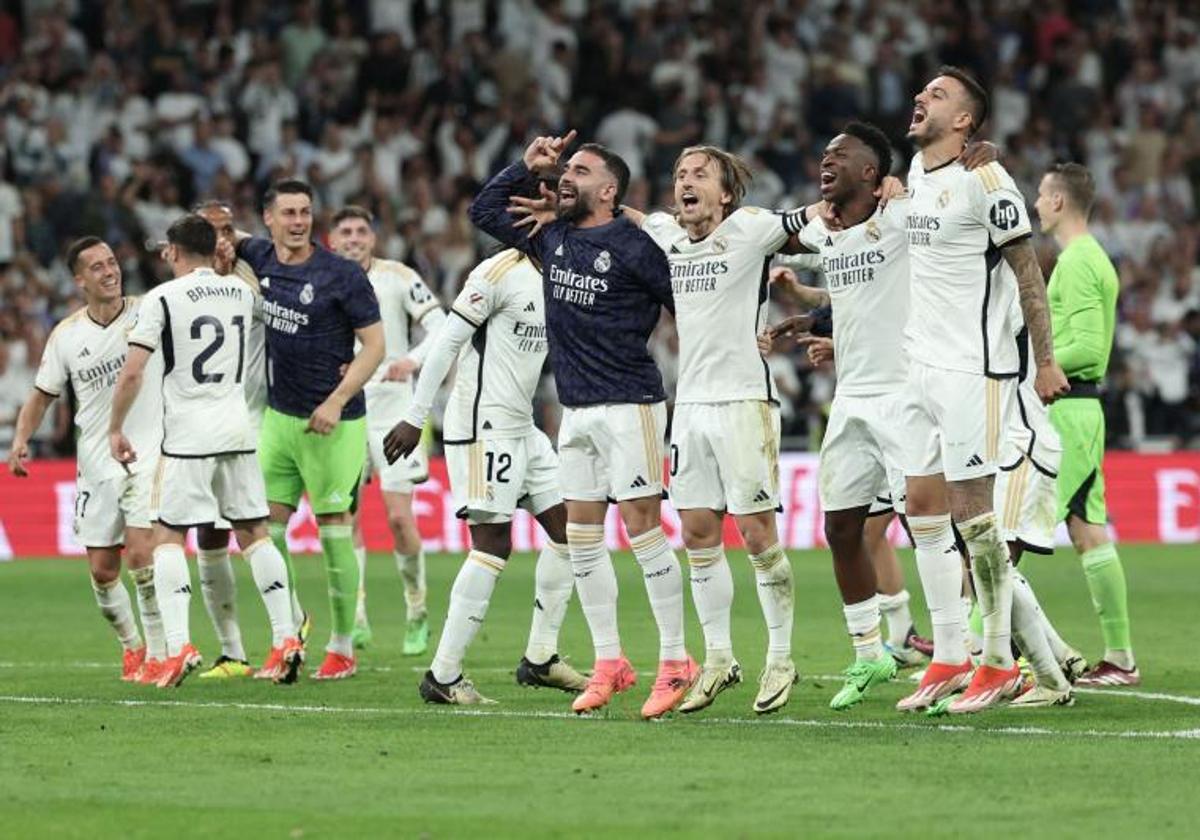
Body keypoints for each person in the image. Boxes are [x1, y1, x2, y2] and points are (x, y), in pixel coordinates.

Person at [468, 131, 696, 719]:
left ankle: (676, 662)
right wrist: (526, 165)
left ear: (610, 189)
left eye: (581, 170)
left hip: (632, 405)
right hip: (577, 411)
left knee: (644, 535)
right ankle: (610, 662)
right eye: (565, 168)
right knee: (584, 541)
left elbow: (689, 305)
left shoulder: (635, 244)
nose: (566, 176)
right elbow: (485, 211)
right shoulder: (554, 235)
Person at [896, 66, 1068, 714]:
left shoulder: (987, 180)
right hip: (919, 365)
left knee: (975, 518)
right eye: (922, 92)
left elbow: (1029, 275)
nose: (920, 99)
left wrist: (1045, 362)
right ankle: (949, 652)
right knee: (921, 508)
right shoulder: (917, 174)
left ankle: (999, 661)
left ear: (967, 121)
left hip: (974, 369)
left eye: (937, 96)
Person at [384, 247, 587, 704]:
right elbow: (447, 341)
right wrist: (416, 416)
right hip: (482, 426)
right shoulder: (497, 271)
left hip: (523, 425)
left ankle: (541, 657)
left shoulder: (562, 270)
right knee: (493, 543)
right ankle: (444, 675)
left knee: (570, 530)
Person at [108, 214, 301, 688]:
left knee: (168, 535)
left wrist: (115, 427)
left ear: (173, 251)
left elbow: (133, 372)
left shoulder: (161, 299)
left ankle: (179, 647)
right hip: (237, 426)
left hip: (189, 433)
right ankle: (285, 638)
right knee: (254, 532)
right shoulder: (241, 292)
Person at [231, 179, 385, 680]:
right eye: (289, 213)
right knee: (261, 530)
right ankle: (288, 633)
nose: (298, 222)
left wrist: (337, 401)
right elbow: (224, 237)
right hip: (280, 419)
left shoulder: (340, 275)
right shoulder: (258, 255)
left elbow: (375, 347)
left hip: (334, 424)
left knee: (334, 532)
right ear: (269, 219)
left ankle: (342, 647)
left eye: (305, 213)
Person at [6, 237, 165, 683]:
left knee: (141, 555)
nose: (109, 271)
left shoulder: (148, 312)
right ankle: (132, 646)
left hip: (145, 451)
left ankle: (158, 653)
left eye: (112, 262)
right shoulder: (67, 335)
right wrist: (21, 439)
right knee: (102, 570)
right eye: (97, 267)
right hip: (95, 461)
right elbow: (41, 396)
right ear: (79, 280)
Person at [1033, 162, 1139, 686]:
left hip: (1069, 413)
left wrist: (1033, 364)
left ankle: (978, 653)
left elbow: (1089, 349)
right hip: (1079, 411)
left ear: (1058, 202)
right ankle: (1119, 656)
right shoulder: (1089, 257)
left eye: (1040, 196)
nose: (1034, 205)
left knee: (1012, 533)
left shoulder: (1076, 261)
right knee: (1086, 532)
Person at [327, 205, 445, 655]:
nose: (354, 238)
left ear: (372, 239)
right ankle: (356, 619)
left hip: (395, 409)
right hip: (346, 409)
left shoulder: (397, 276)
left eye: (361, 231)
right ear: (332, 241)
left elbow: (440, 324)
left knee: (398, 518)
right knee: (348, 518)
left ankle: (416, 611)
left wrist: (411, 361)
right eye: (346, 232)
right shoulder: (323, 278)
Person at [188, 199, 293, 681]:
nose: (225, 239)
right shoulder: (185, 289)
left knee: (255, 529)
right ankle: (232, 652)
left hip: (254, 423)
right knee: (209, 535)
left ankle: (287, 631)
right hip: (201, 427)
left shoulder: (255, 280)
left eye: (231, 229)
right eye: (214, 231)